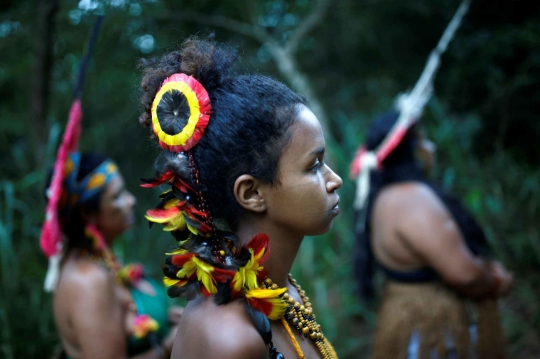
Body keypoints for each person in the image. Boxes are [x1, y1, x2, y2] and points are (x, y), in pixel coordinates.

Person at [137, 36, 342, 359]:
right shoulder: (231, 340)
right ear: (252, 193)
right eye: (314, 166)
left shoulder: (281, 290)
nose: (335, 180)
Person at [351, 112, 513, 359]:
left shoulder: (381, 198)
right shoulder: (413, 200)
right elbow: (465, 275)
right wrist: (495, 281)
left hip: (407, 319)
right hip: (433, 331)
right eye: (423, 141)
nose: (430, 148)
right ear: (411, 151)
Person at [42, 152, 181, 359]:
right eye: (117, 197)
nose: (131, 201)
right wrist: (172, 342)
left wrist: (163, 317)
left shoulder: (99, 259)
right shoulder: (87, 282)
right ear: (88, 214)